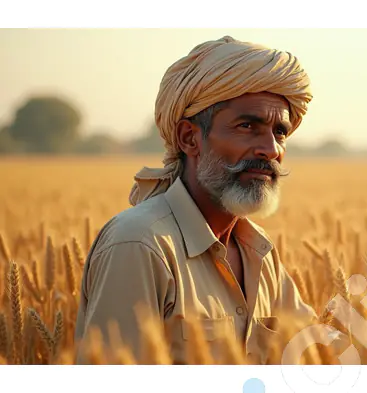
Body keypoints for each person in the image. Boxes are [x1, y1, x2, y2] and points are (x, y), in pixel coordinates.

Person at [74, 36, 320, 365]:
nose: (271, 149)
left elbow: (314, 359)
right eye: (247, 126)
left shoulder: (258, 250)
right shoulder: (139, 244)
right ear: (190, 138)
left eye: (279, 132)